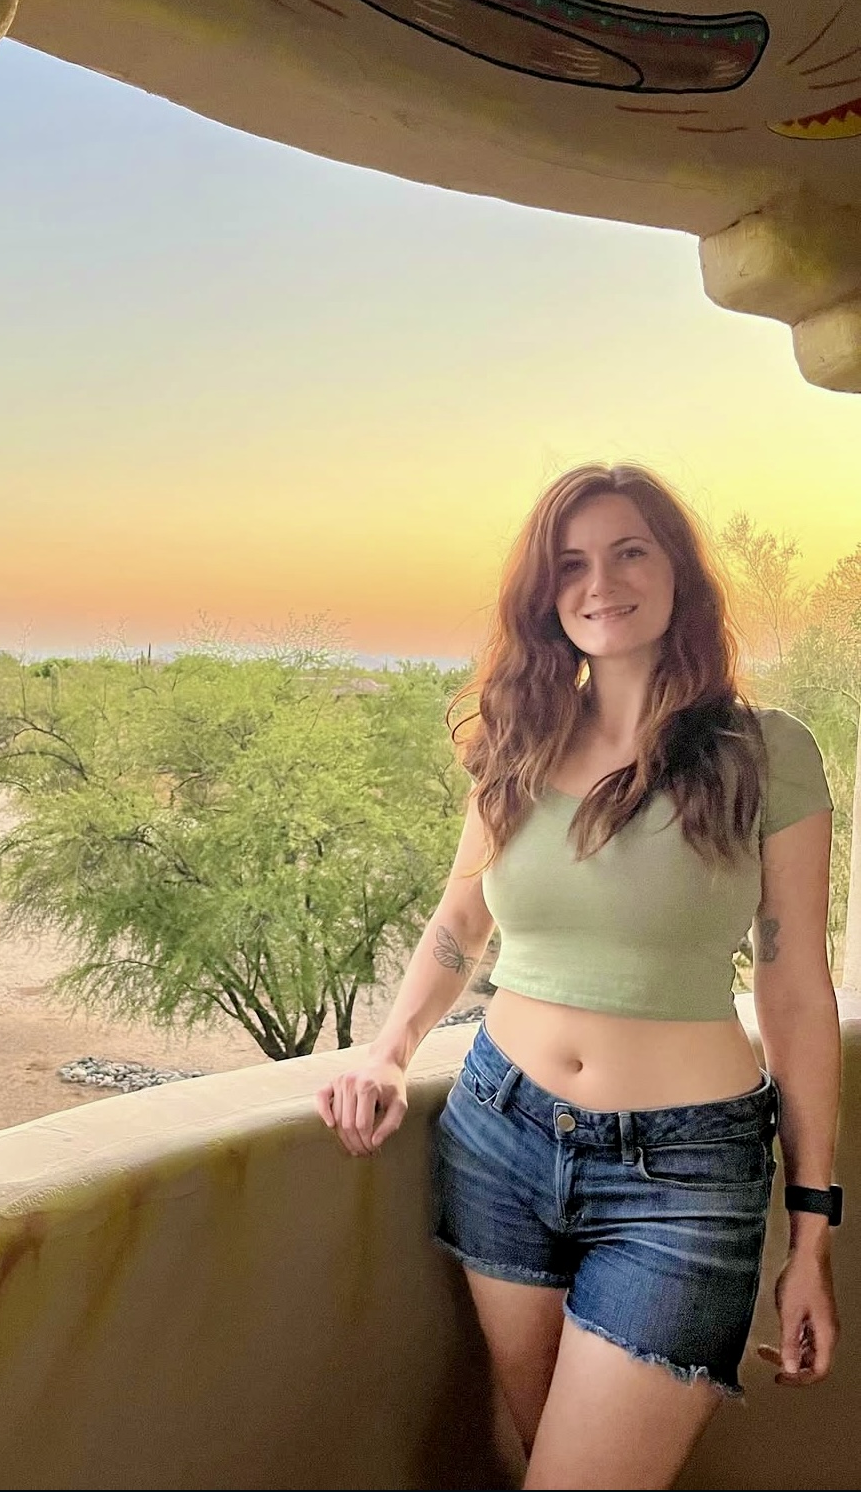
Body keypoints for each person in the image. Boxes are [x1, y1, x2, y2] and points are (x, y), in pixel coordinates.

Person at [315, 463, 841, 1490]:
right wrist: (387, 1050)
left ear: (678, 570)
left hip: (684, 1177)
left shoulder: (766, 752)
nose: (601, 582)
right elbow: (460, 918)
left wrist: (812, 1229)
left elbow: (794, 990)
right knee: (535, 1455)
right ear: (546, 594)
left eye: (629, 551)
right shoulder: (518, 741)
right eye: (571, 564)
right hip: (499, 1141)